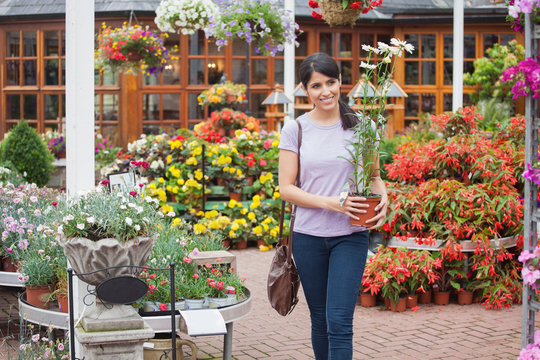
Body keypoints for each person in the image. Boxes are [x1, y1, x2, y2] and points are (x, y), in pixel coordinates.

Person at [278, 52, 388, 360]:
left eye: (331, 82)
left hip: (350, 235)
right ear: (305, 90)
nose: (325, 91)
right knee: (320, 318)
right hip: (308, 237)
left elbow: (375, 177)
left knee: (340, 320)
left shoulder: (362, 126)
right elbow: (285, 188)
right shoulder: (295, 129)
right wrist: (329, 203)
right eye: (316, 85)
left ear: (340, 83)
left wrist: (386, 199)